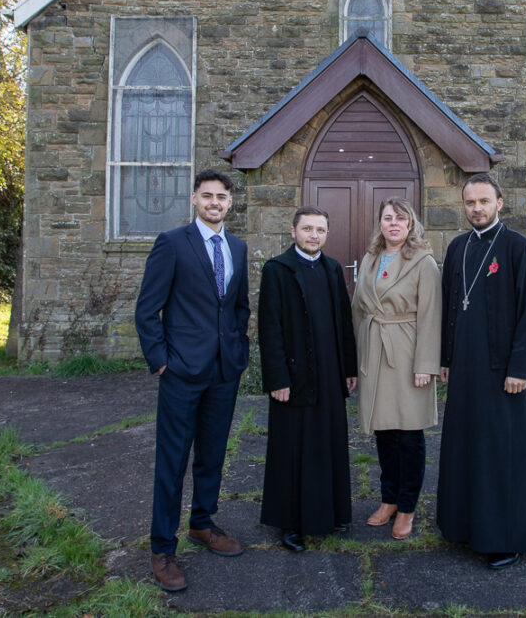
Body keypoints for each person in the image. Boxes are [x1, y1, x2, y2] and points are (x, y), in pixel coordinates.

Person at [134, 169, 250, 592]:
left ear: (230, 203)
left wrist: (238, 352)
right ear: (194, 200)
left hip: (223, 372)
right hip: (181, 372)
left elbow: (238, 307)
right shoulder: (172, 244)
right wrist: (162, 362)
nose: (215, 202)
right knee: (172, 461)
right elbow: (147, 309)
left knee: (213, 454)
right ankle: (162, 548)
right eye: (207, 196)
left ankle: (203, 522)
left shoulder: (237, 246)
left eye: (221, 196)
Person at [437, 173, 526, 569]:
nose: (477, 209)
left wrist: (521, 367)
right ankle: (465, 526)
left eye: (484, 201)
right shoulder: (457, 248)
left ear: (500, 203)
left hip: (504, 373)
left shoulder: (519, 248)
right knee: (468, 448)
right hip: (465, 370)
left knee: (502, 454)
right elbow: (451, 307)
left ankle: (505, 537)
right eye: (470, 203)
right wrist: (446, 358)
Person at [257, 206, 358, 552]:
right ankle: (291, 522)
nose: (313, 235)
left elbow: (344, 323)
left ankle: (331, 513)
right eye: (307, 229)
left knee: (328, 443)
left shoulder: (331, 269)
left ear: (326, 234)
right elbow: (268, 329)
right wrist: (276, 378)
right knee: (292, 449)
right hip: (293, 376)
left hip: (329, 374)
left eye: (320, 230)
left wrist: (349, 369)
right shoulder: (277, 270)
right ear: (293, 231)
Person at [352, 198, 441, 540]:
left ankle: (407, 507)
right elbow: (359, 308)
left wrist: (426, 365)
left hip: (406, 354)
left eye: (400, 219)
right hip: (375, 351)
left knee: (408, 434)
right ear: (380, 223)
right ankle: (388, 499)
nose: (393, 224)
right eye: (387, 218)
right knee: (384, 431)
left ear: (410, 225)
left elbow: (431, 316)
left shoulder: (423, 262)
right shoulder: (371, 258)